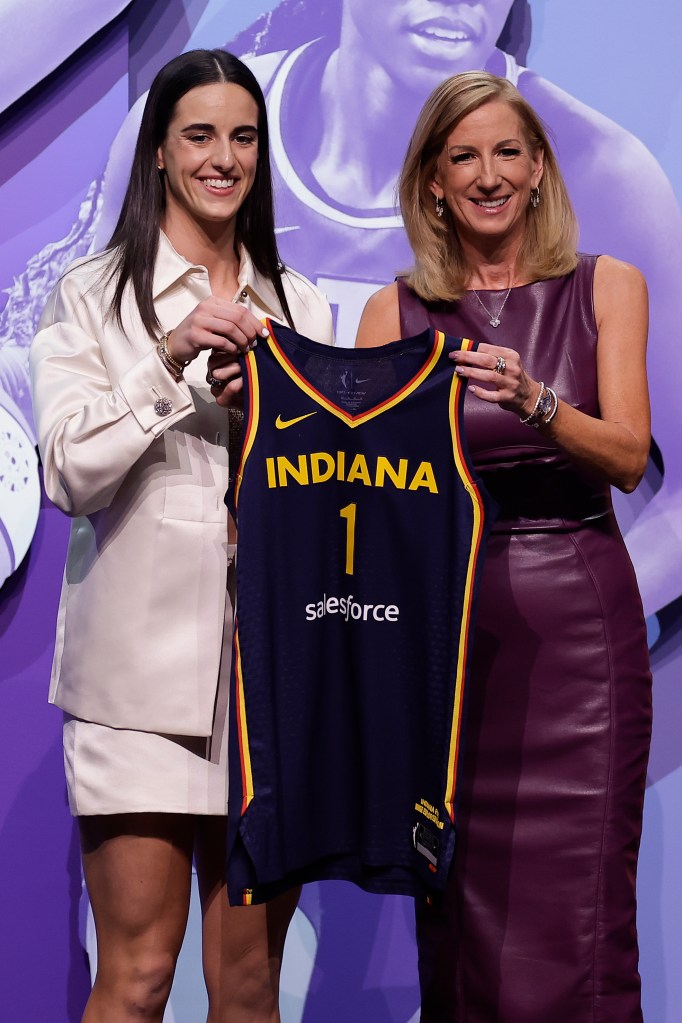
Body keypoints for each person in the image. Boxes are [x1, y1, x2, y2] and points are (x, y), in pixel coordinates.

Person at [29, 48, 333, 1023]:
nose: (223, 157)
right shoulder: (89, 296)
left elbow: (330, 505)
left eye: (243, 136)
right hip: (135, 689)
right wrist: (170, 357)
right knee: (139, 975)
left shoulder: (305, 306)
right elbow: (68, 474)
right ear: (159, 149)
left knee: (248, 989)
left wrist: (267, 426)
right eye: (200, 135)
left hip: (269, 691)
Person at [356, 71, 652, 1023]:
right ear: (433, 182)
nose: (488, 174)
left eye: (507, 153)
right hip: (452, 643)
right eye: (464, 156)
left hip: (579, 632)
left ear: (538, 172)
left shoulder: (608, 284)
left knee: (583, 910)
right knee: (463, 916)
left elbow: (629, 455)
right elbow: (362, 493)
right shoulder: (391, 313)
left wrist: (536, 403)